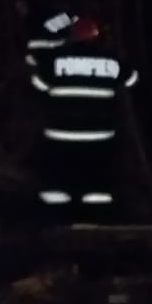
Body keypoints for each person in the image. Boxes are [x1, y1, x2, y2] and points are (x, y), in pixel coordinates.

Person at [28, 15, 138, 214]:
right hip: (99, 133)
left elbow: (38, 84)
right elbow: (131, 79)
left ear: (71, 36)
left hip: (60, 132)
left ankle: (56, 213)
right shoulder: (110, 61)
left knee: (58, 178)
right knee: (97, 179)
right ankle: (97, 213)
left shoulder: (55, 60)